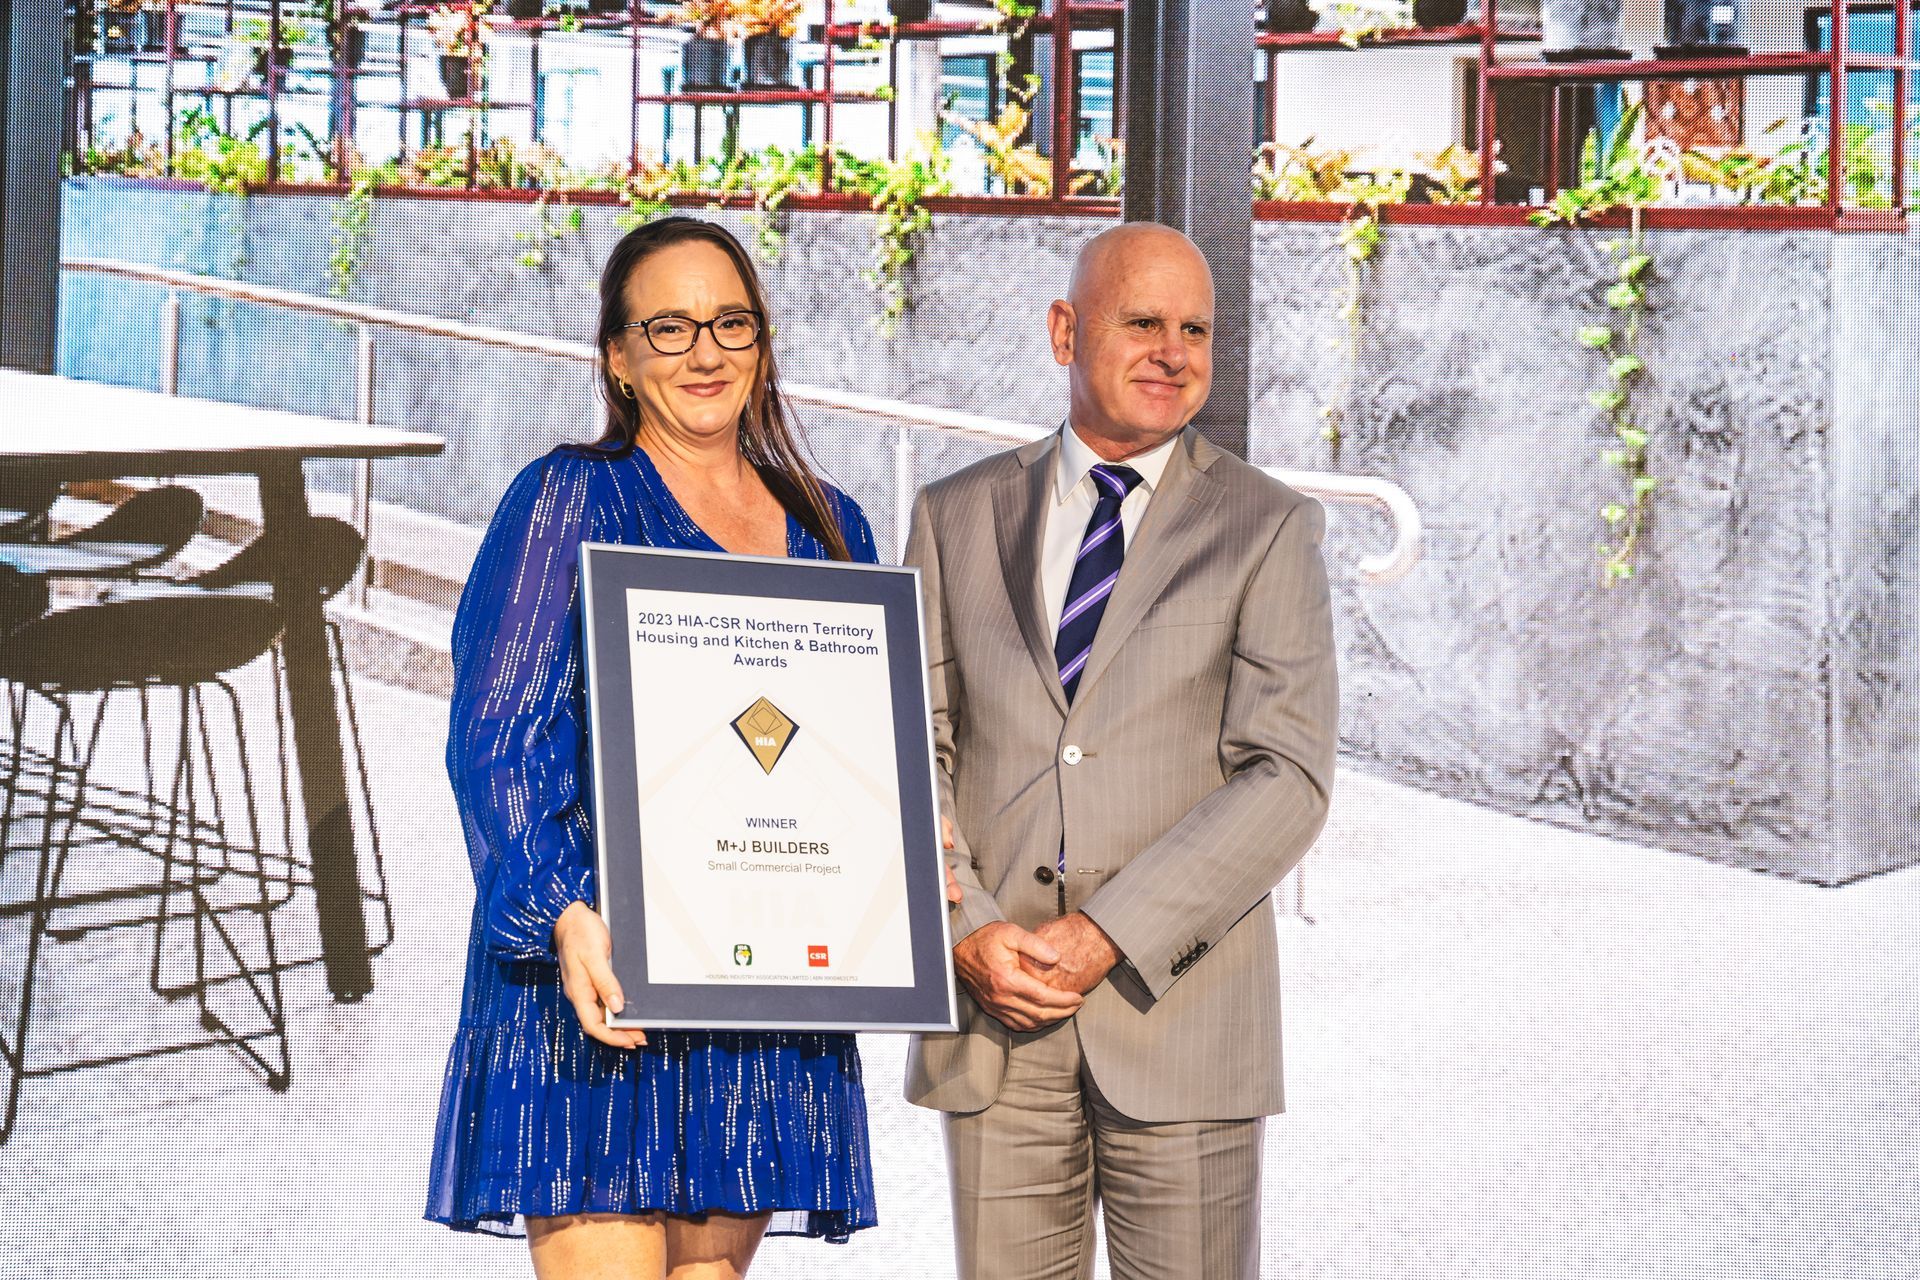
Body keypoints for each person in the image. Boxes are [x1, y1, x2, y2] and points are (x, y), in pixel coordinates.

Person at [425, 217, 879, 1279]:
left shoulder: (832, 524)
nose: (706, 351)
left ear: (763, 344)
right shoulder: (565, 500)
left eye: (731, 322)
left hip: (757, 988)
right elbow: (497, 737)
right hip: (599, 977)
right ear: (617, 358)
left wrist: (896, 833)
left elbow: (846, 746)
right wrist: (559, 911)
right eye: (668, 327)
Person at [905, 222, 1340, 1280]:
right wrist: (965, 925)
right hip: (994, 1018)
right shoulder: (953, 514)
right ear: (1065, 329)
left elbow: (1287, 776)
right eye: (1142, 321)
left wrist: (1109, 929)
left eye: (1195, 329)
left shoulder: (1269, 527)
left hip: (1184, 1020)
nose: (1173, 351)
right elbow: (911, 746)